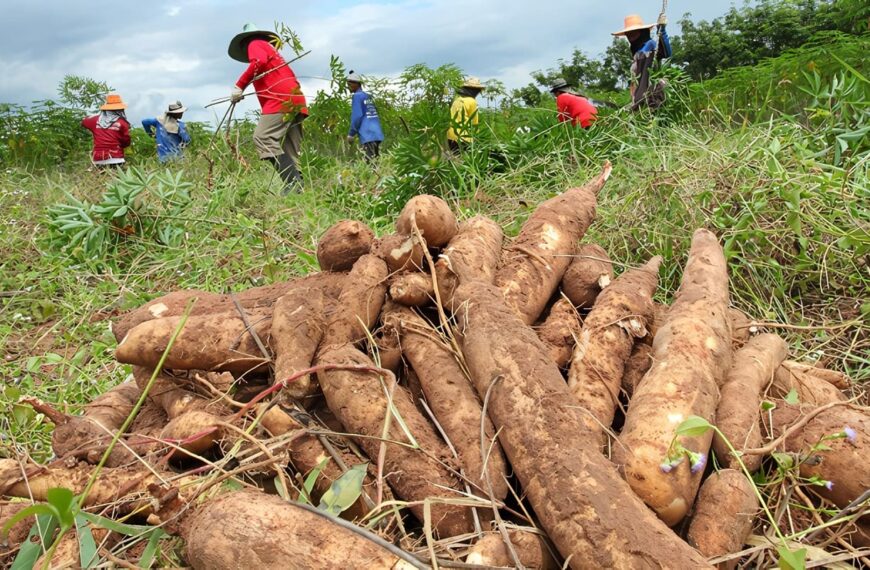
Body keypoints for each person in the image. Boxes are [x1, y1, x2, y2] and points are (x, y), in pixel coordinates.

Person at [228, 23, 308, 194]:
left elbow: (258, 61)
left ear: (244, 43)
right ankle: (298, 191)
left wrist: (239, 86)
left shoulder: (254, 43)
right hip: (295, 98)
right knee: (290, 149)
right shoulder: (274, 53)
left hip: (280, 98)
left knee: (263, 138)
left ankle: (292, 183)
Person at [612, 13, 671, 111]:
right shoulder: (636, 52)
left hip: (652, 97)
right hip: (639, 102)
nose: (630, 35)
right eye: (628, 33)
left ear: (641, 31)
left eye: (634, 31)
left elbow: (666, 53)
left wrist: (662, 30)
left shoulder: (650, 45)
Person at [81, 94, 131, 168]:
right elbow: (126, 141)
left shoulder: (95, 120)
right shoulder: (122, 123)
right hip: (116, 157)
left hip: (98, 158)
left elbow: (84, 122)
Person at [345, 71, 384, 162]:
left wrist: (351, 134)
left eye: (350, 84)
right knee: (375, 160)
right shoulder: (367, 96)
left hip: (368, 133)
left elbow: (357, 116)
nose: (348, 86)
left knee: (369, 162)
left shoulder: (357, 96)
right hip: (377, 132)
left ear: (357, 84)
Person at [446, 77, 485, 154]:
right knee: (464, 161)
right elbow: (474, 122)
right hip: (464, 136)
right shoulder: (472, 101)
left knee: (454, 159)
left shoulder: (457, 100)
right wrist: (477, 137)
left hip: (451, 135)